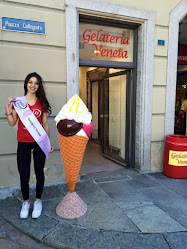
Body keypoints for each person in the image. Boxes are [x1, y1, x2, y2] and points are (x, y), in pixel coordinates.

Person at [5, 72, 54, 219]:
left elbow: (45, 124)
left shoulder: (42, 102)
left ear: (38, 86)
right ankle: (26, 202)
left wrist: (48, 143)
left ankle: (38, 201)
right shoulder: (18, 102)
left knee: (39, 173)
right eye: (30, 82)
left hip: (39, 142)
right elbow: (12, 122)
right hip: (23, 143)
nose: (33, 85)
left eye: (36, 83)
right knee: (24, 174)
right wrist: (7, 106)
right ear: (26, 84)